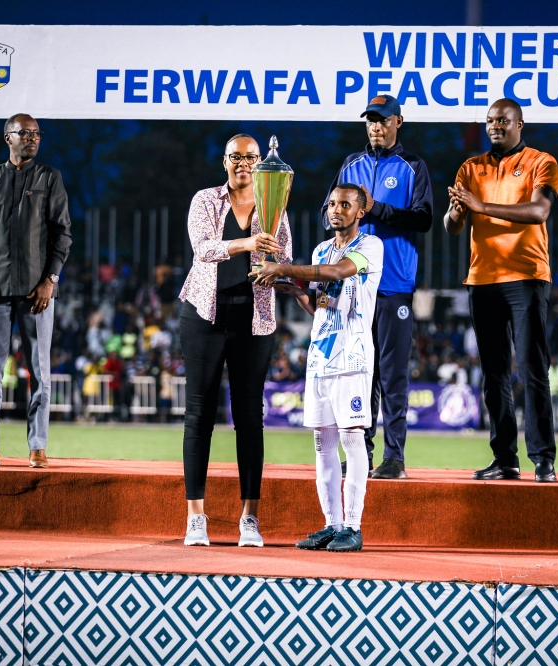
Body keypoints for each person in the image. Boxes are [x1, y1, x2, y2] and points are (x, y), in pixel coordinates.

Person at [252, 184, 383, 553]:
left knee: (352, 439)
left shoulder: (369, 247)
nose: (336, 210)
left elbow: (340, 272)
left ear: (360, 212)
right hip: (321, 358)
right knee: (322, 444)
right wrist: (298, 293)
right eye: (332, 204)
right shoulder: (321, 249)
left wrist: (284, 267)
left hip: (353, 358)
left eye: (346, 205)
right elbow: (325, 305)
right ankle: (332, 525)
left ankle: (354, 527)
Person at [178, 134, 292, 548]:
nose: (243, 164)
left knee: (250, 417)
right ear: (224, 161)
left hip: (254, 318)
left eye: (251, 158)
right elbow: (202, 249)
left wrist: (278, 269)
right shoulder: (205, 200)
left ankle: (249, 518)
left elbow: (285, 257)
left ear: (261, 163)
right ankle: (196, 517)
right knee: (199, 414)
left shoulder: (273, 204)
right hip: (204, 315)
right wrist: (246, 243)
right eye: (236, 157)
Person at [444, 98, 558, 483]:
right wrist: (458, 212)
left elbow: (539, 211)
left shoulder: (542, 162)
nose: (495, 125)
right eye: (491, 120)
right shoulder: (470, 167)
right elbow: (453, 227)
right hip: (482, 280)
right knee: (493, 375)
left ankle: (543, 459)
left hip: (526, 276)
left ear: (519, 124)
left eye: (503, 120)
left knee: (532, 369)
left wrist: (481, 204)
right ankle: (505, 458)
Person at [321, 95, 433, 480]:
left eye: (383, 121)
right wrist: (341, 215)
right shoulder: (350, 164)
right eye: (370, 121)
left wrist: (375, 208)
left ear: (398, 122)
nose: (376, 127)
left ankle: (395, 457)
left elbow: (423, 219)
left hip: (393, 285)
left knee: (392, 375)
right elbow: (327, 212)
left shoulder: (412, 166)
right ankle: (361, 454)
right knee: (359, 374)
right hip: (352, 286)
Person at [0, 113, 72, 469]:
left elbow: (63, 235)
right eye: (24, 133)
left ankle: (37, 446)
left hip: (37, 294)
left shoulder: (49, 178)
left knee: (40, 371)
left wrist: (49, 281)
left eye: (36, 133)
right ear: (7, 137)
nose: (32, 138)